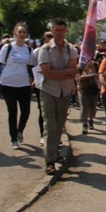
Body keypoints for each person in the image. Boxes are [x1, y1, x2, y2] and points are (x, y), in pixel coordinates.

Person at [38, 19, 79, 175]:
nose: (60, 32)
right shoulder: (45, 49)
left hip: (65, 91)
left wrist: (54, 73)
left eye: (62, 29)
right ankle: (50, 161)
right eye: (57, 29)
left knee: (60, 124)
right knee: (50, 125)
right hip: (49, 91)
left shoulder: (71, 49)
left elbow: (74, 70)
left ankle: (55, 154)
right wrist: (64, 73)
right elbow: (45, 71)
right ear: (52, 30)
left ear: (65, 31)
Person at [0, 23, 34, 150]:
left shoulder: (28, 50)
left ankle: (19, 130)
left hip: (23, 84)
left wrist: (32, 80)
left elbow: (31, 67)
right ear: (15, 34)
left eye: (24, 32)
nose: (22, 34)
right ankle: (13, 139)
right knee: (12, 111)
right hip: (8, 84)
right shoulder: (7, 48)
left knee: (26, 111)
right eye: (20, 32)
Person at [32, 31, 53, 145]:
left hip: (53, 83)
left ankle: (54, 135)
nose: (49, 41)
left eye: (51, 38)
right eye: (47, 39)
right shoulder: (36, 52)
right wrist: (34, 79)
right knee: (43, 110)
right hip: (40, 83)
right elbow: (33, 67)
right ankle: (43, 134)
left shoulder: (57, 51)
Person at [78, 56, 100, 134]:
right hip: (83, 89)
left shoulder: (96, 65)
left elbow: (100, 75)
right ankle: (85, 124)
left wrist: (95, 75)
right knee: (84, 107)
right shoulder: (80, 66)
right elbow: (76, 78)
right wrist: (83, 77)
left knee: (93, 107)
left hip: (94, 89)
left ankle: (91, 120)